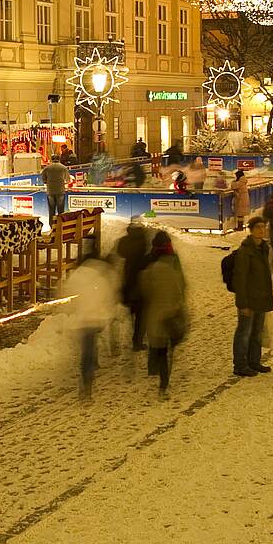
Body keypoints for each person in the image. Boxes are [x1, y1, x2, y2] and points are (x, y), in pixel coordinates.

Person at [62, 241, 118, 399]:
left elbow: (68, 292)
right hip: (97, 317)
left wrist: (73, 309)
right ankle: (89, 378)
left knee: (86, 351)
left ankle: (86, 385)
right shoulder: (102, 271)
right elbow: (109, 294)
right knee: (90, 346)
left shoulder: (80, 272)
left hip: (83, 318)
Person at [139, 235, 188, 395]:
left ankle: (155, 370)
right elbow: (180, 290)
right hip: (171, 315)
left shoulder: (148, 271)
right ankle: (163, 384)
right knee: (168, 351)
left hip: (155, 316)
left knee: (158, 349)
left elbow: (145, 293)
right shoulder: (173, 270)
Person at [230, 216, 273, 377]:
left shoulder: (264, 248)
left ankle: (254, 361)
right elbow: (240, 279)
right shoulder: (245, 251)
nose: (262, 230)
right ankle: (240, 364)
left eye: (263, 227)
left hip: (261, 297)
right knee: (244, 332)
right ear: (251, 230)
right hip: (249, 299)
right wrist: (242, 304)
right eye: (258, 227)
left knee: (256, 332)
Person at [115, 221, 156, 350]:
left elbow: (120, 252)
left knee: (133, 310)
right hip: (140, 280)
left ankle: (133, 338)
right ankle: (137, 341)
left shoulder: (124, 241)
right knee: (141, 314)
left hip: (128, 276)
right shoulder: (143, 239)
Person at [42, 156, 70, 229]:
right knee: (61, 211)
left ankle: (52, 227)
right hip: (60, 191)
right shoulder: (63, 168)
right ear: (59, 159)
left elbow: (44, 180)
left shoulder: (47, 168)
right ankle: (60, 227)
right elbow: (68, 180)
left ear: (51, 159)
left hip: (50, 191)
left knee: (51, 211)